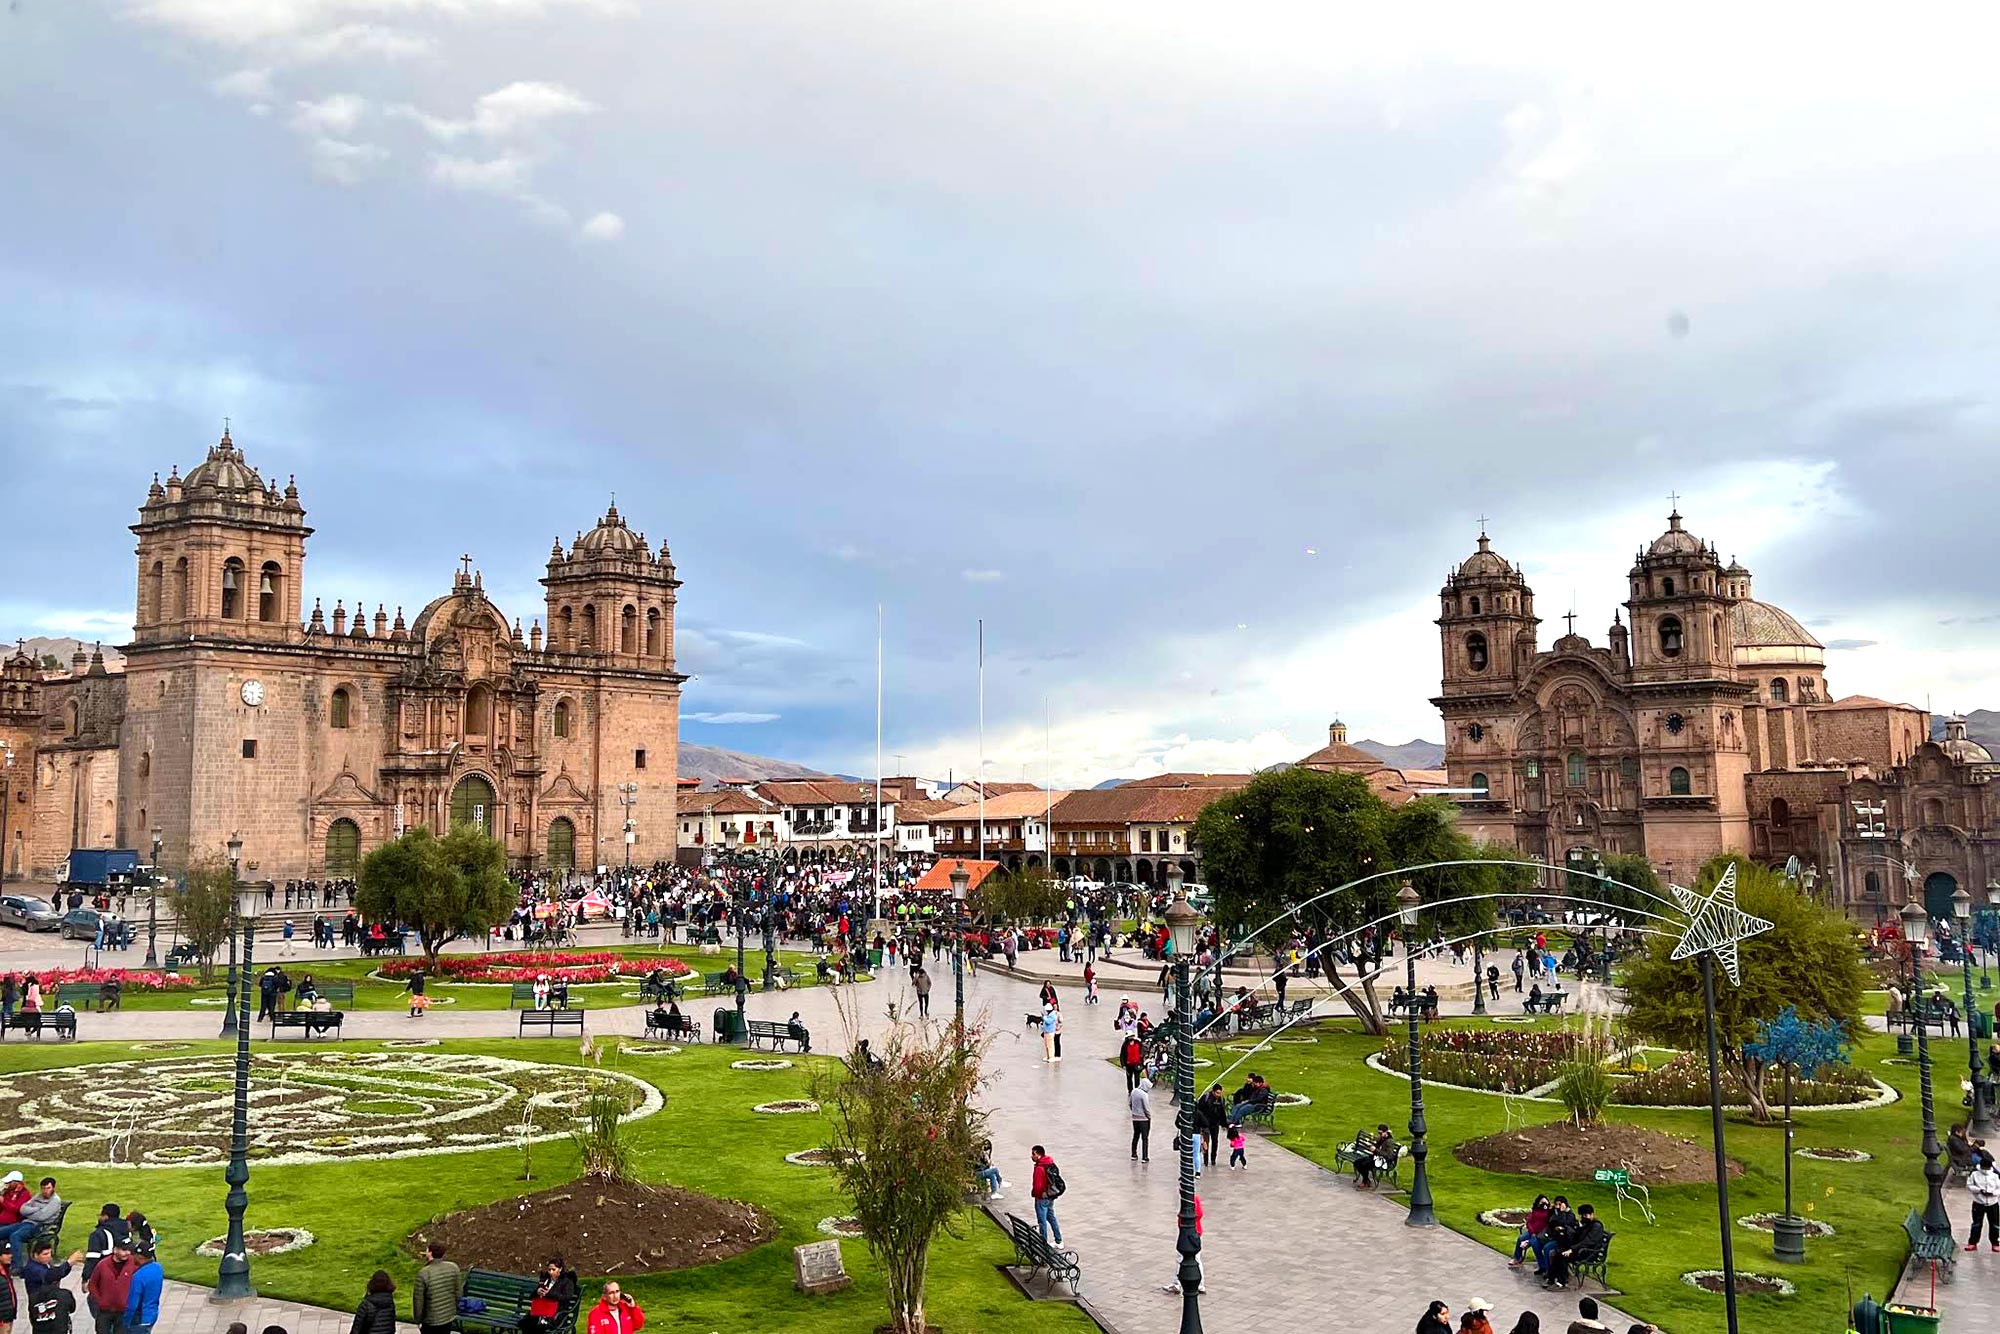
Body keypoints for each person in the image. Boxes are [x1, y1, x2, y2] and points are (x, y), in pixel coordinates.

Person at [1546, 1204, 1606, 1290]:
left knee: (1563, 1255)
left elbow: (1587, 1242)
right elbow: (1576, 1235)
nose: (1583, 1217)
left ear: (1592, 1214)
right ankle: (1552, 1278)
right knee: (1557, 1252)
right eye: (1582, 1215)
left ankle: (1561, 1282)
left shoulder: (1596, 1226)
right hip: (1580, 1249)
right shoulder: (1585, 1225)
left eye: (1586, 1215)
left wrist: (1571, 1250)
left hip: (1589, 1253)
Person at [83, 1237, 134, 1334]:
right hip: (104, 1311)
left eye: (129, 1250)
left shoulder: (132, 1263)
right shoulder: (102, 1265)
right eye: (124, 1250)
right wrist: (100, 1301)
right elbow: (92, 1284)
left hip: (122, 1310)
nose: (127, 1253)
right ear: (115, 1250)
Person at [411, 1240, 462, 1334]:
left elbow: (418, 1300)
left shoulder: (424, 1273)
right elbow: (458, 1293)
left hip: (431, 1320)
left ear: (430, 1253)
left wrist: (418, 1320)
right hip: (448, 1316)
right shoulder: (453, 1267)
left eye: (426, 1250)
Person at [9, 1181, 62, 1269]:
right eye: (43, 1188)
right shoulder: (38, 1196)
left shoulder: (55, 1201)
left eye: (48, 1188)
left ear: (53, 1188)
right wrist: (37, 1209)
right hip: (26, 1223)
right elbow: (22, 1209)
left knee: (15, 1236)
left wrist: (30, 1213)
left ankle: (18, 1267)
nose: (45, 1191)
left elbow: (42, 1217)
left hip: (39, 1227)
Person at [519, 1258, 578, 1334]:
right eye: (549, 1270)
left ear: (560, 1269)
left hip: (556, 1314)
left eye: (553, 1270)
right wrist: (538, 1292)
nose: (551, 1272)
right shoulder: (546, 1280)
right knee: (526, 1323)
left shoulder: (567, 1282)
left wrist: (550, 1294)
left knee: (538, 1327)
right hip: (541, 1312)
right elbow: (532, 1297)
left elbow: (566, 1298)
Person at [1967, 1149, 2000, 1252]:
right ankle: (1973, 1242)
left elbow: (1999, 1188)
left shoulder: (1995, 1176)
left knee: (1995, 1224)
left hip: (1993, 1203)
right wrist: (1979, 1191)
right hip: (1979, 1202)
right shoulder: (1974, 1175)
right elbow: (1969, 1185)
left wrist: (1993, 1193)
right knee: (1976, 1223)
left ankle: (1995, 1243)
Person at [1030, 1146, 1064, 1244]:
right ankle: (1059, 1241)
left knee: (1042, 1221)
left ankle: (1043, 1243)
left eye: (1033, 1154)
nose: (1031, 1156)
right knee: (1051, 1218)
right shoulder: (1049, 1163)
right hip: (1050, 1196)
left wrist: (1035, 1194)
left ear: (1039, 1155)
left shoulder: (1039, 1168)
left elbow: (1037, 1186)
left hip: (1041, 1198)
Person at [1509, 1194, 1553, 1267]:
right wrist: (1532, 1231)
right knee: (1521, 1239)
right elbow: (1529, 1222)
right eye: (1541, 1202)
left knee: (1535, 1244)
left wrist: (1547, 1207)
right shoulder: (1535, 1211)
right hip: (1532, 1232)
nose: (1543, 1204)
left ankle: (1543, 1266)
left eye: (1545, 1202)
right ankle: (1517, 1258)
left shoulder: (1549, 1212)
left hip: (1541, 1234)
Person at [1129, 1076, 1153, 1163]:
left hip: (1135, 1118)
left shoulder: (1134, 1091)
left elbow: (1130, 1103)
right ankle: (1145, 1156)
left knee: (1135, 1136)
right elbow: (1146, 1108)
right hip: (1144, 1119)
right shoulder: (1144, 1095)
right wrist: (1149, 1116)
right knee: (1145, 1138)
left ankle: (1134, 1154)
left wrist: (1134, 1112)